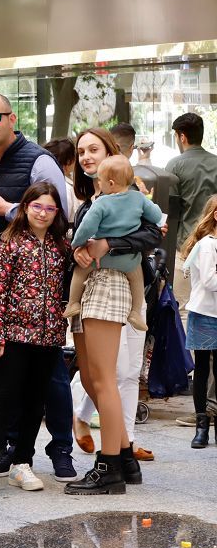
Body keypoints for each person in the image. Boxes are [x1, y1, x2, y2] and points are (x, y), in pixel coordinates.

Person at [0, 95, 75, 481]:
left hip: (46, 323)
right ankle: (12, 455)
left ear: (12, 118)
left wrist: (7, 209)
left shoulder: (38, 160)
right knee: (4, 385)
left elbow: (57, 215)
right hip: (5, 298)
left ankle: (60, 448)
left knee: (49, 383)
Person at [64, 128, 161, 495]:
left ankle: (108, 469)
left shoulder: (128, 195)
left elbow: (154, 233)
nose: (87, 156)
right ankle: (123, 458)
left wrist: (108, 243)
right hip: (87, 289)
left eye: (95, 150)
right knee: (90, 377)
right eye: (81, 151)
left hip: (110, 284)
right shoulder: (90, 198)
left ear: (111, 153)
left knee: (104, 377)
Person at [0, 183, 69, 499]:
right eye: (37, 206)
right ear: (25, 207)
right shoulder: (10, 243)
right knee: (0, 399)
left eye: (50, 208)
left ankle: (22, 462)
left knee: (35, 401)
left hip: (48, 337)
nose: (43, 213)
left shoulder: (59, 246)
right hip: (13, 336)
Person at [64, 155, 161, 332]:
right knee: (137, 278)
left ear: (110, 183)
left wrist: (77, 245)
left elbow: (87, 227)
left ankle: (72, 303)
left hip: (100, 258)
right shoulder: (138, 198)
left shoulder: (101, 203)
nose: (98, 185)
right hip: (129, 259)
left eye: (100, 181)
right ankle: (136, 313)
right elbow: (156, 216)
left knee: (80, 271)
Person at [168, 113, 217, 313]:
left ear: (182, 137)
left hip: (185, 249)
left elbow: (170, 211)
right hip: (214, 245)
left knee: (184, 309)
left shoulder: (175, 165)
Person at [181, 195, 217, 448]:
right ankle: (201, 426)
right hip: (205, 314)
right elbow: (210, 282)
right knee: (202, 370)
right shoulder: (207, 245)